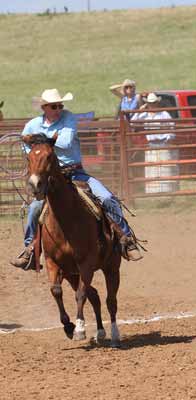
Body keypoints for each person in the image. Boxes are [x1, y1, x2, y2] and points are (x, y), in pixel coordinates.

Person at [10, 89, 143, 270]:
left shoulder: (69, 119)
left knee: (107, 198)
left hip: (75, 173)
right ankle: (31, 250)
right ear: (45, 107)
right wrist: (37, 155)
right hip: (49, 178)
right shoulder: (32, 125)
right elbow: (26, 148)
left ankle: (126, 239)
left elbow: (65, 142)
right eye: (54, 106)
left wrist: (40, 142)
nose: (59, 109)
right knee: (34, 209)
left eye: (60, 105)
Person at [131, 93, 179, 193]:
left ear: (157, 103)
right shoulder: (145, 115)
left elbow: (171, 127)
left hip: (162, 143)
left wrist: (168, 137)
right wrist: (140, 110)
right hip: (151, 144)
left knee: (164, 168)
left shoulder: (164, 114)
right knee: (153, 168)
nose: (152, 105)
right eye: (150, 103)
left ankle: (166, 190)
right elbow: (132, 122)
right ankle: (153, 191)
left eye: (153, 103)